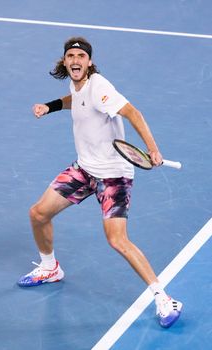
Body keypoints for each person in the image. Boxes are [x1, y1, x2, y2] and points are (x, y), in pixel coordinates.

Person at [18, 37, 182, 328]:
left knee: (117, 239)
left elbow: (133, 112)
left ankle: (163, 297)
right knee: (38, 213)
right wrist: (50, 106)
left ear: (89, 62)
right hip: (84, 169)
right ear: (65, 61)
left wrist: (152, 148)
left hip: (114, 175)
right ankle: (49, 267)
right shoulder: (77, 83)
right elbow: (76, 101)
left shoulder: (99, 86)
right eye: (71, 55)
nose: (76, 59)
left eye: (81, 55)